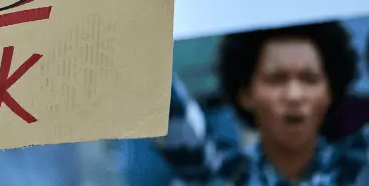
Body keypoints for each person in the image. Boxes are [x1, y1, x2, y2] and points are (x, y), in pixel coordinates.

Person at [155, 21, 367, 184]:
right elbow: (163, 100)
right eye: (276, 79)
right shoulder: (225, 174)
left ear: (330, 91)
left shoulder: (358, 169)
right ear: (245, 93)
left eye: (309, 79)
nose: (294, 95)